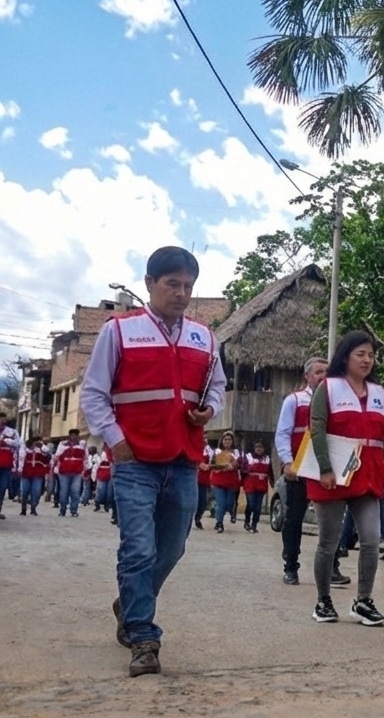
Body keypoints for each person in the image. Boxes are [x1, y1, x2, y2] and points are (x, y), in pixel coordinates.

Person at [79, 246, 225, 677]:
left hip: (183, 459)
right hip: (135, 461)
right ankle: (143, 636)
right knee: (139, 549)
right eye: (172, 284)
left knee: (173, 547)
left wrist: (209, 411)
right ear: (149, 284)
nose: (180, 293)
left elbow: (216, 387)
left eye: (188, 286)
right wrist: (117, 441)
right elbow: (93, 393)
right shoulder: (120, 331)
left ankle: (129, 602)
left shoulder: (205, 337)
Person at [305, 331, 384, 626]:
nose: (367, 360)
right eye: (360, 354)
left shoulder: (378, 393)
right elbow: (317, 429)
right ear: (345, 356)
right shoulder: (329, 388)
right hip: (333, 473)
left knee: (371, 540)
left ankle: (363, 601)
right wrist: (324, 467)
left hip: (369, 474)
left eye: (371, 355)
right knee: (328, 542)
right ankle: (323, 601)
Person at [275, 356, 328, 585]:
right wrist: (288, 462)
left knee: (329, 521)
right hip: (299, 469)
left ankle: (331, 567)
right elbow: (283, 432)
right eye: (318, 372)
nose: (323, 376)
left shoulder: (333, 402)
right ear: (307, 376)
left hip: (323, 470)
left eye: (326, 372)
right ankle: (291, 566)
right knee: (294, 518)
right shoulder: (294, 400)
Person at [208, 432, 243, 534]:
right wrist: (220, 466)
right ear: (222, 441)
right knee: (221, 503)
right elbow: (212, 464)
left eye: (229, 440)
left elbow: (239, 463)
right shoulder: (216, 452)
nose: (227, 441)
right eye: (225, 440)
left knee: (229, 504)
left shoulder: (236, 452)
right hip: (218, 481)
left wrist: (233, 464)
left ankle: (229, 513)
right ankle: (219, 522)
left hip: (231, 482)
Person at [52, 430, 88, 517]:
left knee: (75, 491)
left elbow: (86, 457)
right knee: (64, 491)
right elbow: (57, 456)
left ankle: (74, 510)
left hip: (77, 471)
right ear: (69, 435)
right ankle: (62, 510)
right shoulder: (63, 444)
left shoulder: (82, 445)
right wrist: (65, 448)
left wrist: (86, 470)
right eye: (72, 435)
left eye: (75, 435)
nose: (73, 437)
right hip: (64, 471)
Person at [241, 441, 272, 533]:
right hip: (250, 485)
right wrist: (242, 483)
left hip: (261, 485)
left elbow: (270, 472)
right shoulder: (249, 457)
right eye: (257, 447)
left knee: (258, 508)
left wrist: (272, 482)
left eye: (261, 447)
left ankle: (254, 524)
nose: (259, 449)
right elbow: (243, 471)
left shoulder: (267, 459)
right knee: (251, 504)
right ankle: (247, 521)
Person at [19, 439, 49, 515]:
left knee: (36, 492)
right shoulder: (24, 450)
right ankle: (23, 508)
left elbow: (47, 455)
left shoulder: (41, 450)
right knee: (25, 491)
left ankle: (33, 508)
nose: (35, 445)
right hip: (26, 472)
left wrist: (42, 446)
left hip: (37, 473)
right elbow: (21, 458)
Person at [0, 414, 19, 520]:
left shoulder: (12, 431)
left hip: (5, 464)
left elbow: (18, 443)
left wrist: (8, 441)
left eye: (2, 418)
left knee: (2, 488)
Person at [194, 441, 213, 530]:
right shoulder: (193, 445)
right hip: (192, 477)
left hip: (204, 479)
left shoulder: (209, 450)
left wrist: (210, 466)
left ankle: (198, 518)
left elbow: (214, 461)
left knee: (203, 502)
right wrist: (198, 464)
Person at [94, 445, 116, 522]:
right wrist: (94, 476)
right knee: (101, 490)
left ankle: (107, 506)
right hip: (102, 473)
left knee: (109, 492)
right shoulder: (101, 455)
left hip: (111, 474)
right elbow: (96, 466)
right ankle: (98, 504)